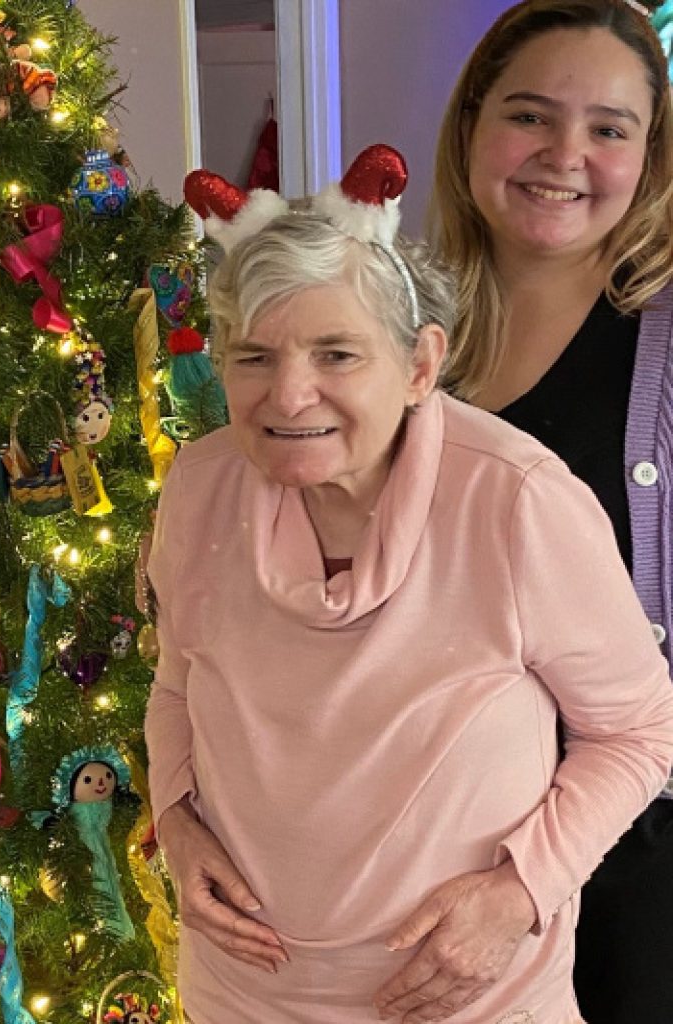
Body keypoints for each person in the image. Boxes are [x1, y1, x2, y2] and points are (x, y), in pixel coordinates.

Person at [143, 144, 673, 1024]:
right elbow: (177, 684)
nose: (290, 396)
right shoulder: (201, 489)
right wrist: (176, 820)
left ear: (421, 364)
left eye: (338, 354)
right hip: (242, 997)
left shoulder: (518, 500)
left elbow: (642, 732)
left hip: (473, 1002)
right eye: (253, 357)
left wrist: (518, 895)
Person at [430, 2, 673, 1020]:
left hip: (638, 856)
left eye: (609, 128)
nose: (564, 155)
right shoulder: (400, 329)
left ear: (648, 157)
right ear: (474, 128)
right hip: (442, 844)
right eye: (529, 116)